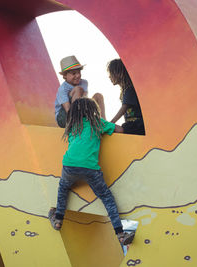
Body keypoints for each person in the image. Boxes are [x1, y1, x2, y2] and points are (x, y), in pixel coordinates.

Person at [48, 97, 135, 245]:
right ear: (93, 111)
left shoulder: (72, 127)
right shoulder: (97, 123)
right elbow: (120, 130)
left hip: (69, 165)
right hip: (90, 168)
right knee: (106, 198)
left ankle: (58, 219)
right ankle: (120, 234)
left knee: (63, 188)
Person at [54, 55, 105, 128]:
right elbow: (67, 109)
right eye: (74, 73)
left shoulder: (84, 82)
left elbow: (85, 98)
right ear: (65, 75)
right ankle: (77, 122)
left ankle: (103, 122)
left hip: (80, 109)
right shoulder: (62, 89)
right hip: (65, 117)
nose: (78, 75)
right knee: (78, 89)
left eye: (79, 72)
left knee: (98, 96)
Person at [107, 59, 145, 135]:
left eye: (111, 74)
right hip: (132, 125)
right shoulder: (125, 90)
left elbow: (124, 108)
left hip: (137, 124)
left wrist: (111, 123)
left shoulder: (129, 89)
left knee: (115, 130)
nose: (109, 77)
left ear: (119, 74)